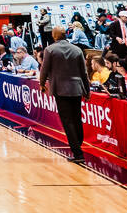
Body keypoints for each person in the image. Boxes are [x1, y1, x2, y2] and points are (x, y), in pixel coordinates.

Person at [39, 25, 89, 164]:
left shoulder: (50, 49)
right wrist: (87, 90)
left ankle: (78, 153)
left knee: (67, 121)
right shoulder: (77, 49)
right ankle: (78, 143)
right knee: (77, 118)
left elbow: (44, 69)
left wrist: (42, 83)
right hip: (77, 89)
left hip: (60, 90)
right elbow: (84, 73)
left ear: (54, 36)